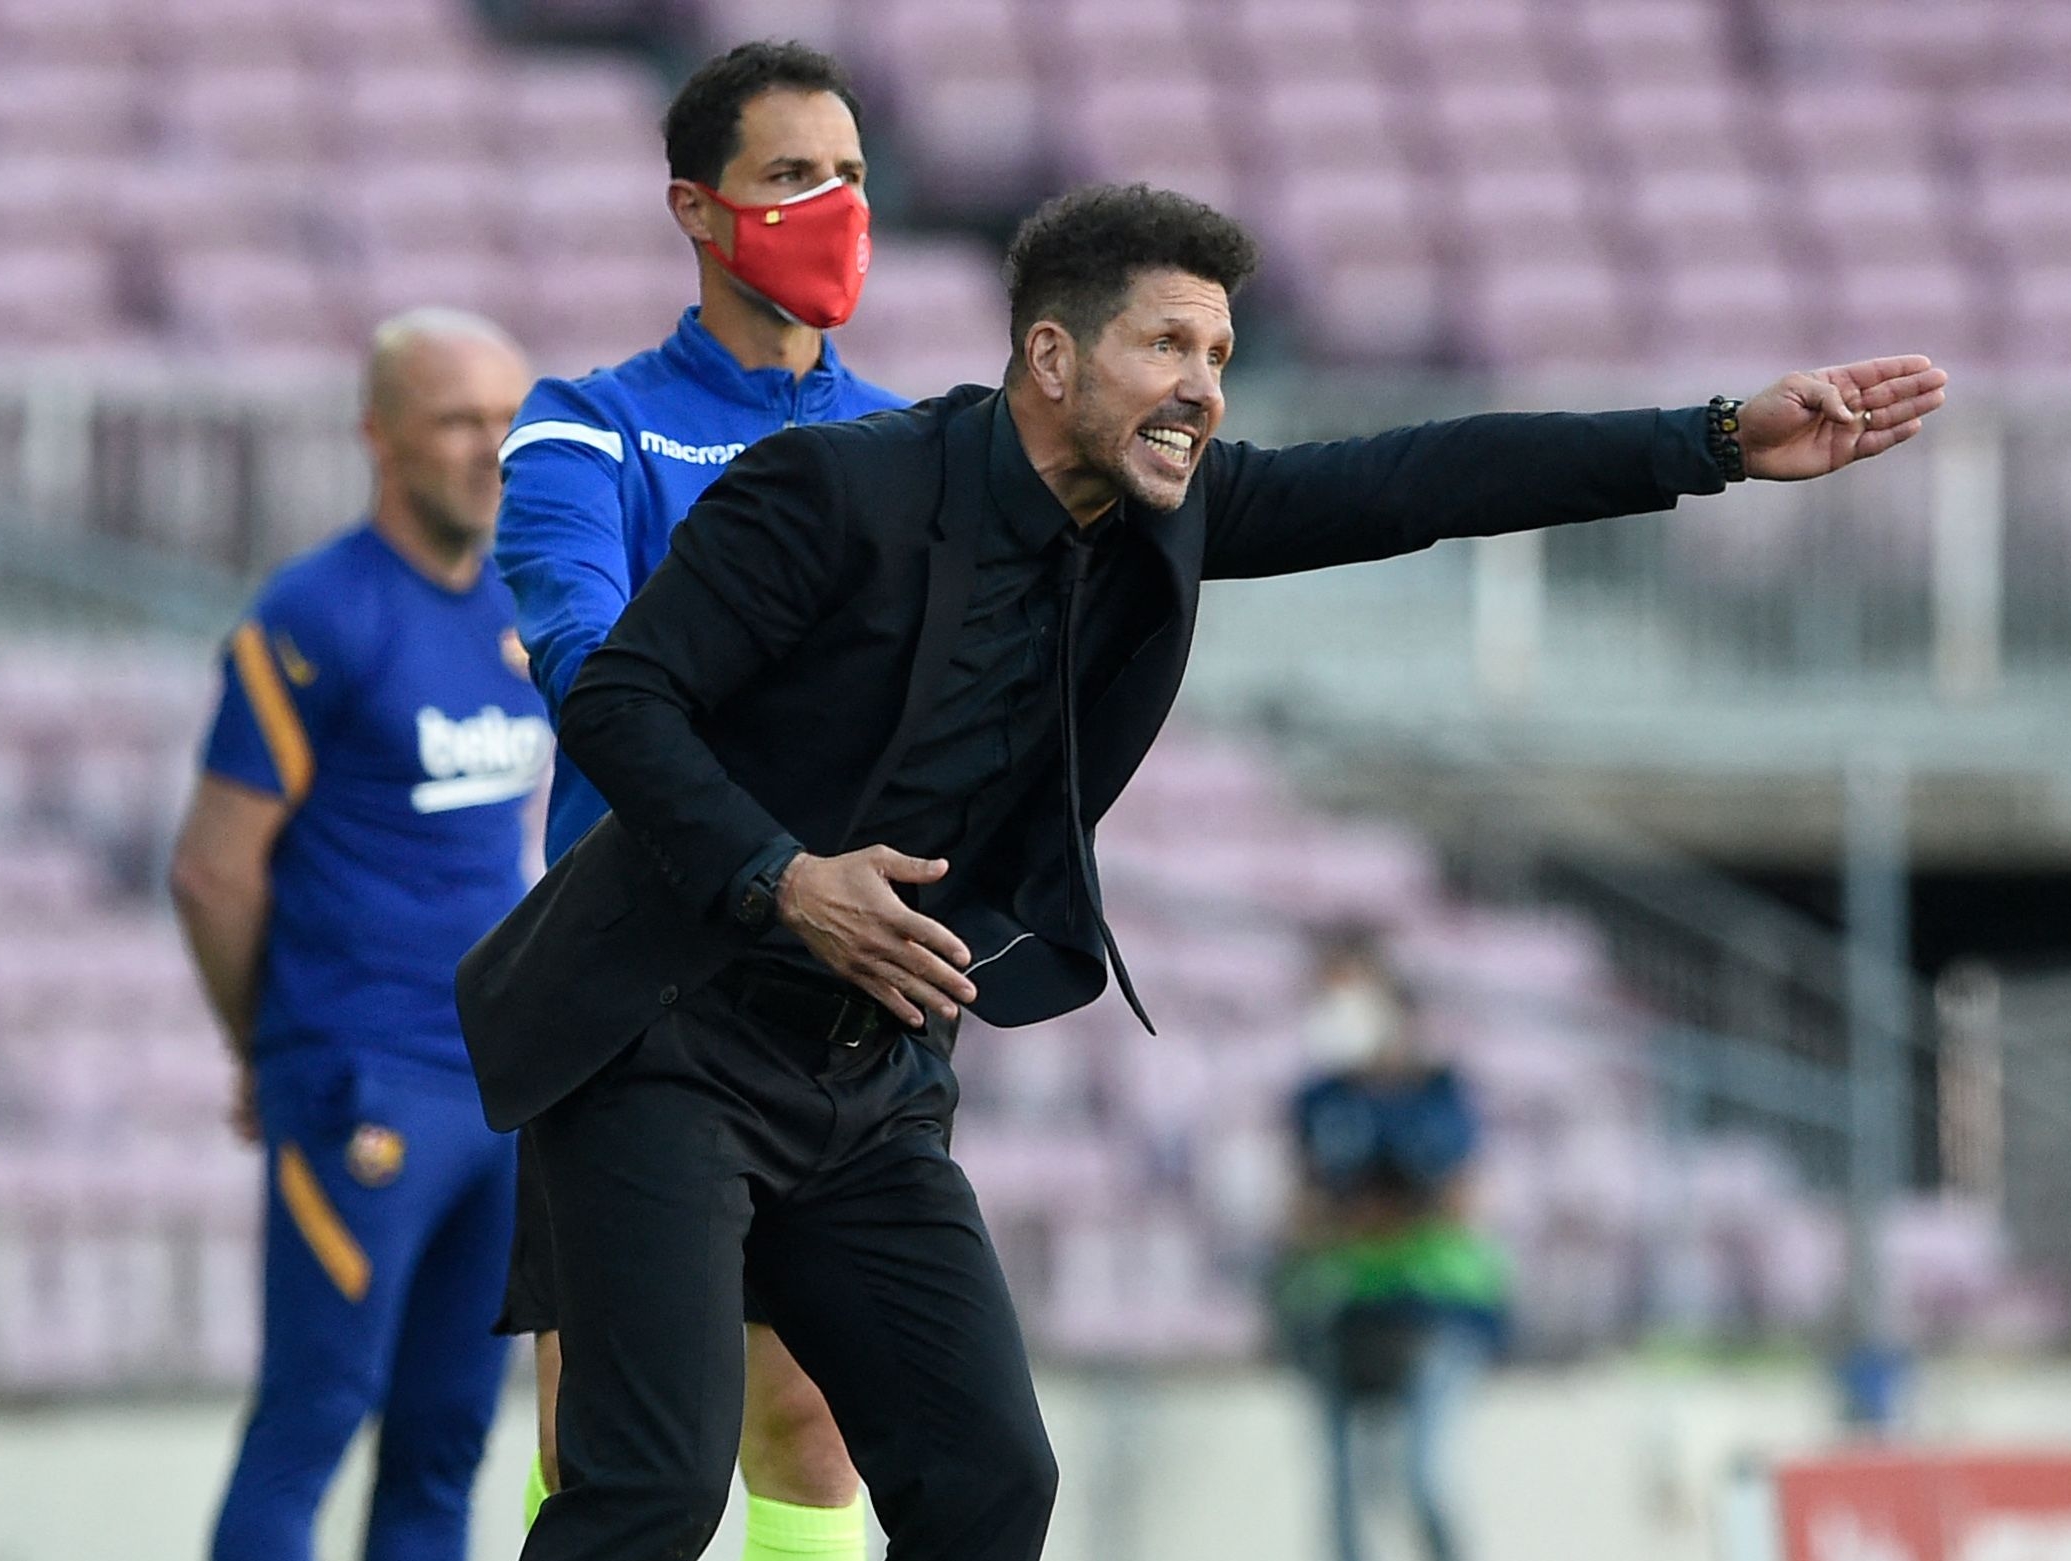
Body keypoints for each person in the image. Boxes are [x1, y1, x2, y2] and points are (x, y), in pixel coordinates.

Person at [455, 180, 1951, 1555]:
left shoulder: (1167, 518)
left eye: (1221, 350)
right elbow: (616, 701)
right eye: (1168, 343)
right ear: (1051, 357)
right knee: (649, 1486)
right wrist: (787, 876)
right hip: (666, 1034)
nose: (1203, 386)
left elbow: (1420, 478)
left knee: (989, 1478)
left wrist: (1713, 442)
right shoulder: (833, 490)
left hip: (866, 1079)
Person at [487, 40, 905, 1556]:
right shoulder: (580, 423)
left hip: (820, 996)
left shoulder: (910, 445)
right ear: (696, 207)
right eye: (793, 176)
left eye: (851, 174)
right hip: (626, 992)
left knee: (808, 1415)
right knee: (606, 1424)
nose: (833, 205)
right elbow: (592, 668)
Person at [170, 309, 541, 1561]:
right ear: (379, 436)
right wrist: (269, 1050)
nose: (492, 446)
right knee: (314, 1417)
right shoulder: (312, 615)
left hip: (499, 1092)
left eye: (507, 418)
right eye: (457, 419)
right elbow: (213, 873)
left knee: (447, 1442)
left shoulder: (524, 601)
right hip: (361, 1080)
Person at [1278, 934, 1507, 1561]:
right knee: (1344, 1490)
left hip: (1436, 1310)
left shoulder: (1440, 1093)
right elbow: (1299, 1213)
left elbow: (1461, 1203)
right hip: (1343, 1311)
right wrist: (1383, 1209)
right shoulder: (1317, 1101)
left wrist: (1368, 1210)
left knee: (1421, 1476)